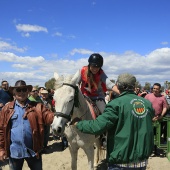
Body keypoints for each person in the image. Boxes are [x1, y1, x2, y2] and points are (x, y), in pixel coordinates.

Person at [71, 73, 155, 170]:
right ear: (134, 86)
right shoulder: (147, 104)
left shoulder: (116, 104)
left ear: (118, 86)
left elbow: (97, 126)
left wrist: (78, 123)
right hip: (141, 161)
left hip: (120, 161)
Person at [0, 80, 54, 170]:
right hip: (15, 152)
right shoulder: (7, 109)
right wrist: (1, 149)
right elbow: (1, 130)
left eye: (24, 89)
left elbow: (49, 116)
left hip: (34, 151)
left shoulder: (38, 106)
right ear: (14, 92)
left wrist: (60, 115)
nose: (21, 92)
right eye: (18, 90)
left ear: (27, 91)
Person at [145, 83, 168, 150]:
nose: (155, 90)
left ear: (159, 89)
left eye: (157, 89)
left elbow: (165, 108)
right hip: (149, 118)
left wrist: (161, 115)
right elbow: (144, 106)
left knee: (158, 134)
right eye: (154, 88)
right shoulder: (147, 96)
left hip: (158, 119)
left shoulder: (163, 97)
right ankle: (149, 149)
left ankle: (156, 149)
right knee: (149, 134)